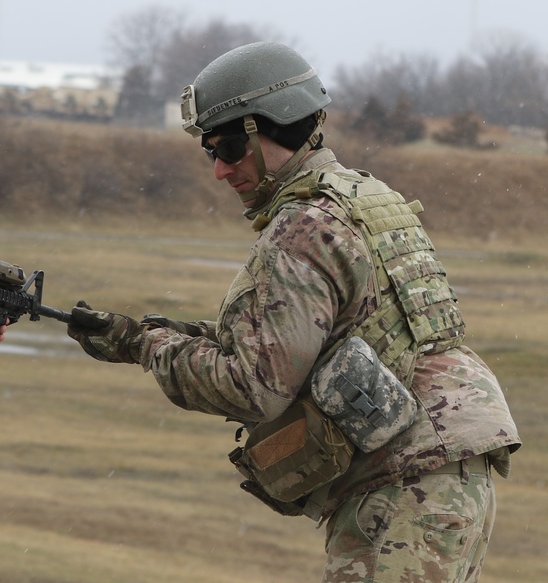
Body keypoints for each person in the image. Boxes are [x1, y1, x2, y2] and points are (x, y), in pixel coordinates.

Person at [66, 41, 520, 582]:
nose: (219, 170)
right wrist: (142, 335)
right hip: (448, 470)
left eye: (231, 147)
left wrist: (149, 348)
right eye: (209, 151)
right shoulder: (364, 198)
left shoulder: (302, 228)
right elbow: (301, 342)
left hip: (405, 485)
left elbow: (254, 387)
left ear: (272, 127)